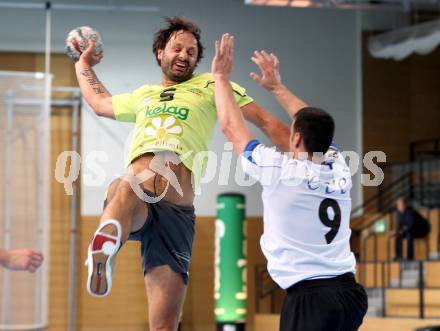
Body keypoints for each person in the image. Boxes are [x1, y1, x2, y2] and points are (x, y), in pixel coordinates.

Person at [74, 17, 290, 330]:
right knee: (123, 186)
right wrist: (83, 64)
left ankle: (109, 240)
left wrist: (306, 152)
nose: (184, 55)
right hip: (139, 198)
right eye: (177, 48)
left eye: (191, 51)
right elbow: (99, 101)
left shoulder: (212, 85)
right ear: (160, 52)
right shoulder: (143, 95)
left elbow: (265, 121)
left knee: (164, 324)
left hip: (176, 212)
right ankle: (105, 249)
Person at [212, 33, 367, 331]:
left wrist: (220, 77)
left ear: (296, 138)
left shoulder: (279, 170)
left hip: (311, 298)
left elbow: (231, 128)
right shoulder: (339, 166)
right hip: (350, 295)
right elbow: (308, 124)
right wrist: (277, 87)